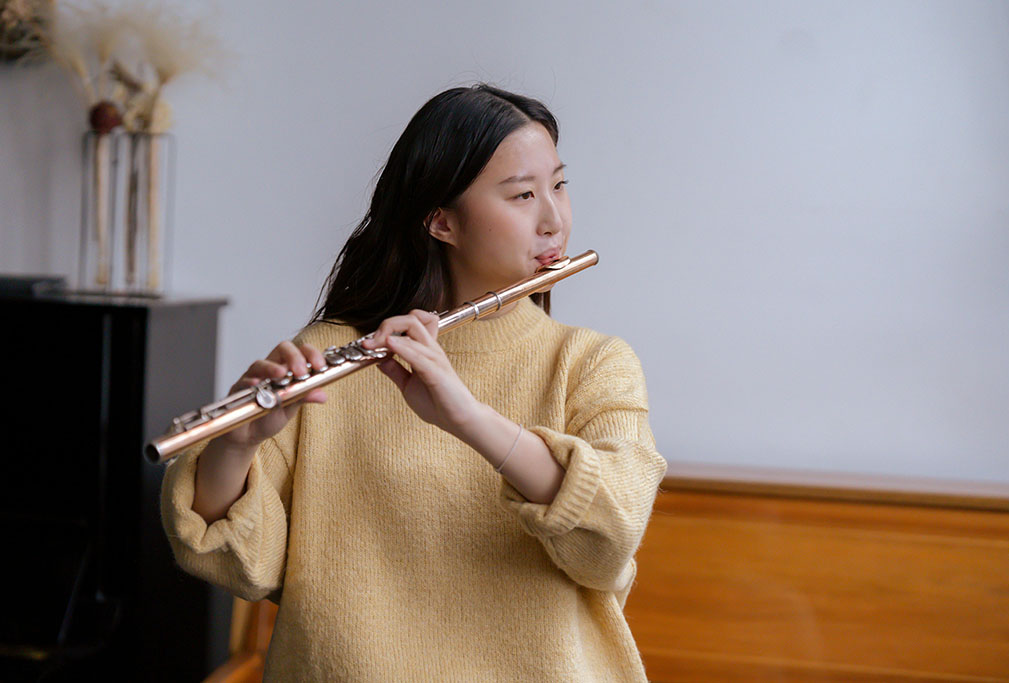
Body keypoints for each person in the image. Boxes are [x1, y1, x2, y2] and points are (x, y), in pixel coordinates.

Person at [160, 83, 667, 681]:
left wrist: (466, 417)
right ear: (441, 221)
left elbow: (612, 536)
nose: (554, 219)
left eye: (558, 185)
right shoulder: (329, 351)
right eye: (523, 195)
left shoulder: (592, 362)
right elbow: (241, 566)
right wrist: (237, 443)